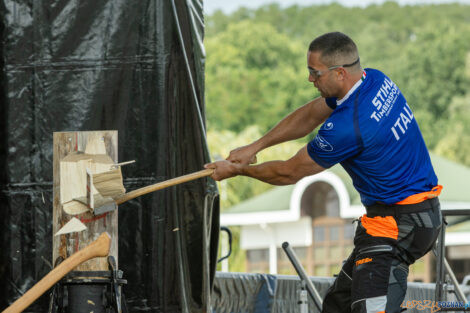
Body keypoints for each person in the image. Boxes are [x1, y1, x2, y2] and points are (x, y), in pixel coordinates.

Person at [204, 32, 442, 313]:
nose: (310, 80)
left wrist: (238, 171)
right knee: (337, 307)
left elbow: (289, 173)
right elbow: (311, 114)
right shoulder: (375, 80)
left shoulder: (349, 127)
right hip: (408, 217)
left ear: (339, 72)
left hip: (399, 226)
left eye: (314, 73)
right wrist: (255, 146)